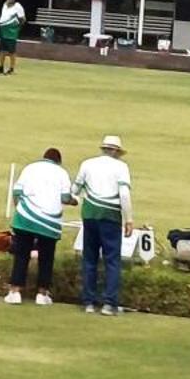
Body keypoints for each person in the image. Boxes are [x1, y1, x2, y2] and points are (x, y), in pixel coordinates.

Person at [73, 135, 134, 316]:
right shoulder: (121, 167)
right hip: (110, 216)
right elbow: (124, 195)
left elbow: (75, 190)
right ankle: (109, 303)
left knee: (89, 258)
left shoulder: (87, 164)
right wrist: (128, 218)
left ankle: (89, 302)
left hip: (90, 214)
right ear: (116, 151)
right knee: (112, 261)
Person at [7, 146, 74, 306]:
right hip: (49, 222)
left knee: (21, 255)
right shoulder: (62, 173)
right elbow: (65, 198)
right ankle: (42, 294)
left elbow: (16, 193)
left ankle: (15, 292)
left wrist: (20, 210)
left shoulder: (30, 168)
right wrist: (74, 201)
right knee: (46, 258)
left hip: (25, 218)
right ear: (58, 161)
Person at [0, 0, 26, 75]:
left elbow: (22, 19)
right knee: (2, 49)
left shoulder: (18, 7)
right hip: (3, 28)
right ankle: (1, 67)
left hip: (11, 31)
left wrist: (16, 28)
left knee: (11, 50)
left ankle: (11, 68)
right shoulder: (4, 5)